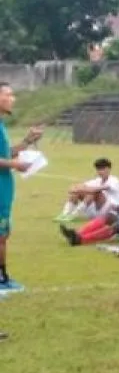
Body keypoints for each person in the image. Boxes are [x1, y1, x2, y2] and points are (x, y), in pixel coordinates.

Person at [0, 83, 43, 314]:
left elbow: (5, 154)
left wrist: (26, 142)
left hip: (4, 188)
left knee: (3, 234)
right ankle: (2, 279)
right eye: (8, 94)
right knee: (1, 235)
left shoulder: (1, 125)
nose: (13, 98)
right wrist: (16, 164)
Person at [58, 158, 119, 222]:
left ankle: (73, 214)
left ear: (108, 169)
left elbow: (97, 189)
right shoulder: (97, 180)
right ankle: (65, 213)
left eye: (102, 169)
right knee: (78, 191)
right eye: (98, 169)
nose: (100, 172)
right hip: (95, 210)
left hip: (109, 211)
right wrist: (75, 188)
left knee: (95, 192)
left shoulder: (114, 180)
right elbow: (80, 186)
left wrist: (79, 189)